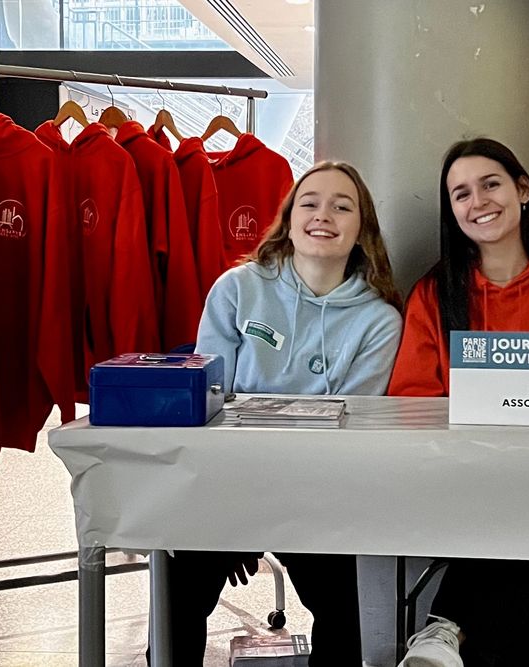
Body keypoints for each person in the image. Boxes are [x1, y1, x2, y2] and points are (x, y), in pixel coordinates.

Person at [160, 161, 403, 666]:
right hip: (226, 478)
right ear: (289, 219)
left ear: (363, 230)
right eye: (310, 203)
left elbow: (348, 424)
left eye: (343, 206)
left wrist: (270, 510)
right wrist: (241, 515)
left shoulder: (380, 320)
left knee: (342, 615)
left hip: (318, 487)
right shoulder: (235, 289)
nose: (324, 215)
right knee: (175, 600)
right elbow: (212, 400)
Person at [390, 138, 529, 667]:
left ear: (522, 190)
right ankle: (465, 637)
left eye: (490, 184)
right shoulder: (433, 295)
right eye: (460, 193)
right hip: (459, 477)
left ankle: (446, 627)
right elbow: (411, 399)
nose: (477, 202)